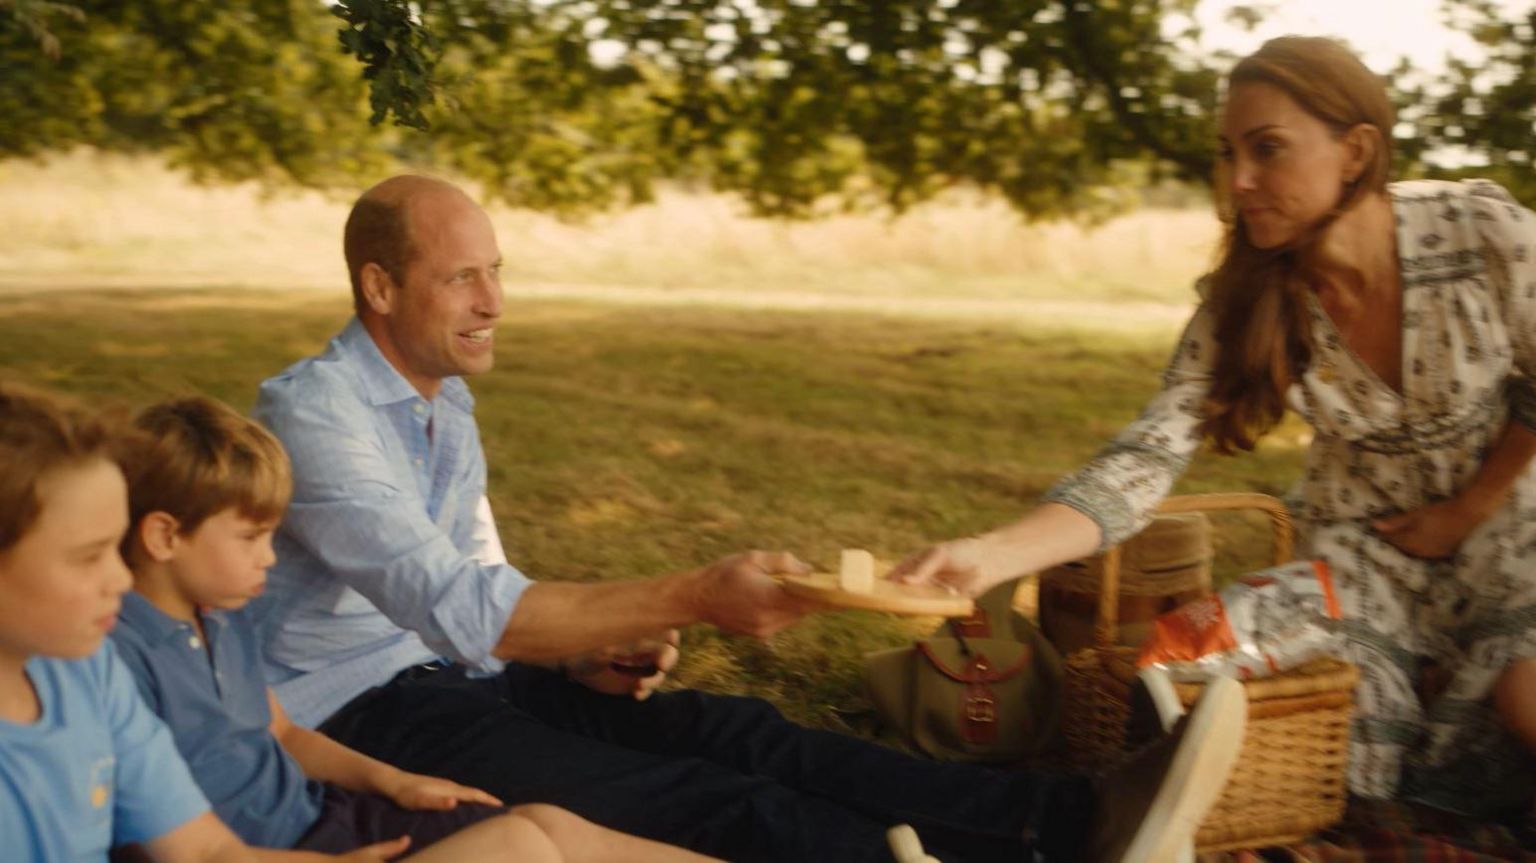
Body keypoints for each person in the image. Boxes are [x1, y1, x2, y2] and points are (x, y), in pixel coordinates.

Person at [252, 173, 1250, 861]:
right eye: (463, 276)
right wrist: (694, 594)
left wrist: (580, 658)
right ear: (379, 286)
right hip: (353, 714)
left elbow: (485, 597)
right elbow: (468, 603)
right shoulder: (314, 414)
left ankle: (1069, 818)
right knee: (700, 795)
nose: (495, 301)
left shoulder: (441, 403)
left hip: (463, 676)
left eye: (497, 269)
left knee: (744, 729)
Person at [892, 35, 1536, 819]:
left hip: (1515, 531)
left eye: (1268, 150)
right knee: (1189, 666)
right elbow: (1146, 456)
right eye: (1228, 152)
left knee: (1524, 697)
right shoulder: (1246, 300)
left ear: (1357, 150)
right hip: (1362, 552)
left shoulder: (1480, 234)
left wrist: (1466, 510)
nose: (1238, 182)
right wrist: (993, 554)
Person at [109, 394, 716, 863]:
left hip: (320, 818)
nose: (270, 558)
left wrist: (396, 782)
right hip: (270, 852)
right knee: (520, 847)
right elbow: (153, 839)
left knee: (549, 825)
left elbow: (283, 732)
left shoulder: (224, 614)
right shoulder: (118, 657)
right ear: (165, 535)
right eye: (249, 538)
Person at [0, 382, 257, 863]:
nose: (120, 579)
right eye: (88, 557)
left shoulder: (86, 667)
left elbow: (205, 850)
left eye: (116, 548)